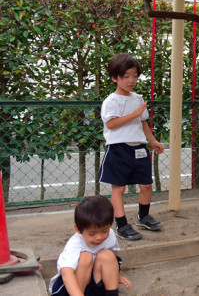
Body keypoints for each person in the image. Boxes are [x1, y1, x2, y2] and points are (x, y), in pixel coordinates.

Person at [100, 54, 165, 241]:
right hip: (118, 149)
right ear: (115, 77)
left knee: (146, 185)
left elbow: (142, 122)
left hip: (139, 148)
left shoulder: (137, 98)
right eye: (126, 76)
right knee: (118, 188)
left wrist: (152, 141)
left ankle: (143, 217)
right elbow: (111, 124)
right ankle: (121, 225)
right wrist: (134, 113)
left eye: (135, 76)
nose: (131, 80)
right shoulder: (111, 101)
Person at [49, 195, 133, 296]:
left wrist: (117, 275)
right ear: (78, 229)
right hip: (71, 288)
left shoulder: (110, 235)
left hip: (95, 283)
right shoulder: (74, 244)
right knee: (85, 257)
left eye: (104, 230)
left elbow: (113, 259)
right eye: (92, 234)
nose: (99, 237)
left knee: (108, 255)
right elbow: (67, 274)